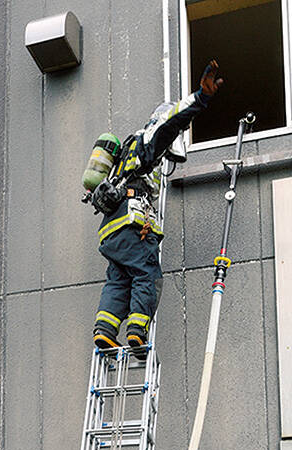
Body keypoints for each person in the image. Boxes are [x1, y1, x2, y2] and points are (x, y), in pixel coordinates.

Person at [90, 60, 224, 359]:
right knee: (147, 274)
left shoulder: (125, 150)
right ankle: (137, 332)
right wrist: (199, 99)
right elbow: (170, 124)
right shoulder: (150, 140)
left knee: (119, 279)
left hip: (110, 229)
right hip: (132, 222)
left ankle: (104, 332)